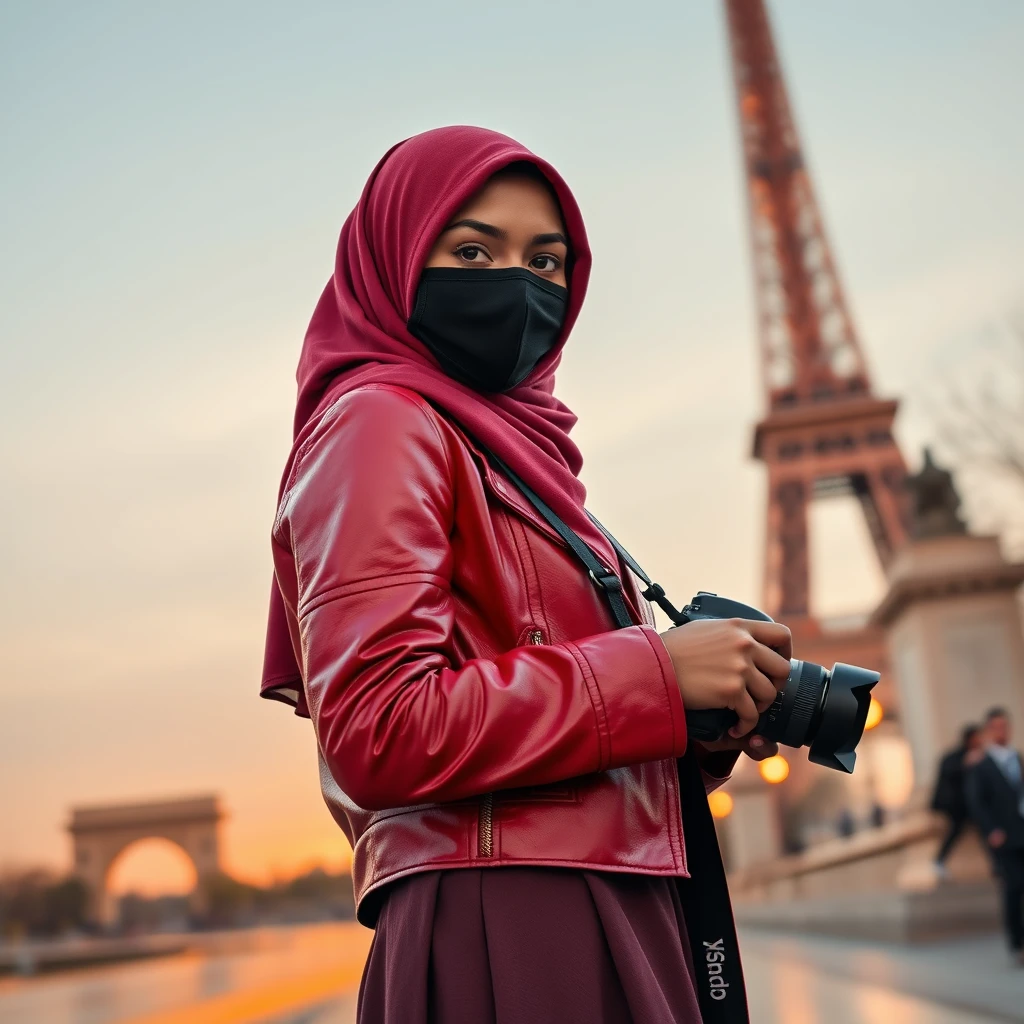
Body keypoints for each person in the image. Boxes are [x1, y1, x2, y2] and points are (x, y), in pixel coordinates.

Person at [260, 126, 793, 1023]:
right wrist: (656, 674)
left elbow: (549, 729)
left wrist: (687, 730)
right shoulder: (382, 421)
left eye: (548, 262)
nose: (520, 283)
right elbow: (380, 728)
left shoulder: (520, 457)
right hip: (508, 918)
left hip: (600, 901)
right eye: (473, 249)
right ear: (392, 256)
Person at [966, 708, 1024, 965]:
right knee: (1013, 888)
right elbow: (977, 802)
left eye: (1005, 726)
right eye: (997, 727)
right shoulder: (981, 765)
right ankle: (1017, 944)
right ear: (989, 731)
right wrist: (992, 830)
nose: (1002, 731)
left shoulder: (1017, 758)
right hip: (1004, 837)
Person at [931, 723, 984, 876]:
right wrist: (965, 763)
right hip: (956, 805)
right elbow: (948, 775)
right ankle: (939, 861)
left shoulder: (978, 755)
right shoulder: (955, 757)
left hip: (969, 804)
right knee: (956, 830)